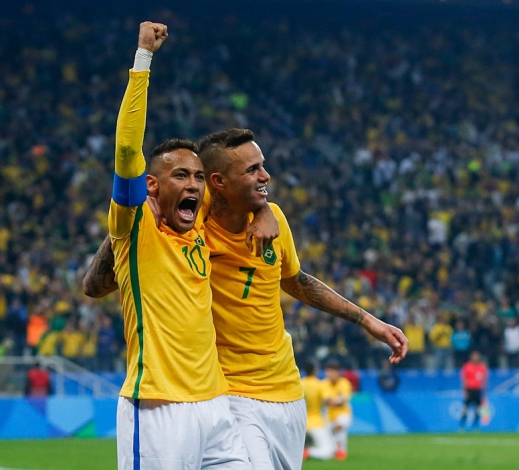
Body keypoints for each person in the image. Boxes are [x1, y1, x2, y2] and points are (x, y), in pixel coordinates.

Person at [86, 127, 409, 470]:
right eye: (252, 170)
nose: (265, 176)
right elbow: (98, 282)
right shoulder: (193, 220)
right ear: (219, 182)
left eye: (262, 166)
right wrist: (128, 223)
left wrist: (367, 320)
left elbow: (295, 280)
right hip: (230, 392)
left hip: (286, 388)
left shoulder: (274, 217)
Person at [105, 22, 250, 470]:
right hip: (157, 409)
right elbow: (128, 151)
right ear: (152, 186)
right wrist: (142, 60)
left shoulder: (201, 228)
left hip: (216, 407)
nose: (194, 184)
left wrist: (262, 210)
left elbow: (244, 189)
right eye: (181, 176)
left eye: (199, 178)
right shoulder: (135, 229)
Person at [300, 362, 334, 461]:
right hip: (316, 423)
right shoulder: (319, 384)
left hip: (302, 424)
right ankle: (308, 452)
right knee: (328, 451)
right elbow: (327, 401)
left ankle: (303, 449)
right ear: (315, 370)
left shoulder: (300, 384)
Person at [323, 360, 353, 460]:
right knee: (327, 434)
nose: (329, 374)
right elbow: (326, 401)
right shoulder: (324, 384)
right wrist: (336, 401)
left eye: (331, 371)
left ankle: (341, 451)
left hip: (343, 413)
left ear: (337, 372)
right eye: (327, 371)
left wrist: (333, 401)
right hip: (329, 415)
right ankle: (335, 449)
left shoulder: (344, 383)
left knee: (340, 425)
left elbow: (342, 402)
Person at [459, 350, 488, 432]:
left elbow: (484, 380)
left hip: (478, 390)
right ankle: (462, 426)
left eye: (477, 356)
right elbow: (464, 380)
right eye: (474, 356)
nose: (476, 357)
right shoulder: (467, 366)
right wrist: (465, 391)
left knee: (477, 409)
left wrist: (484, 392)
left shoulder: (482, 367)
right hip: (469, 389)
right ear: (471, 357)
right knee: (465, 409)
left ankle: (475, 427)